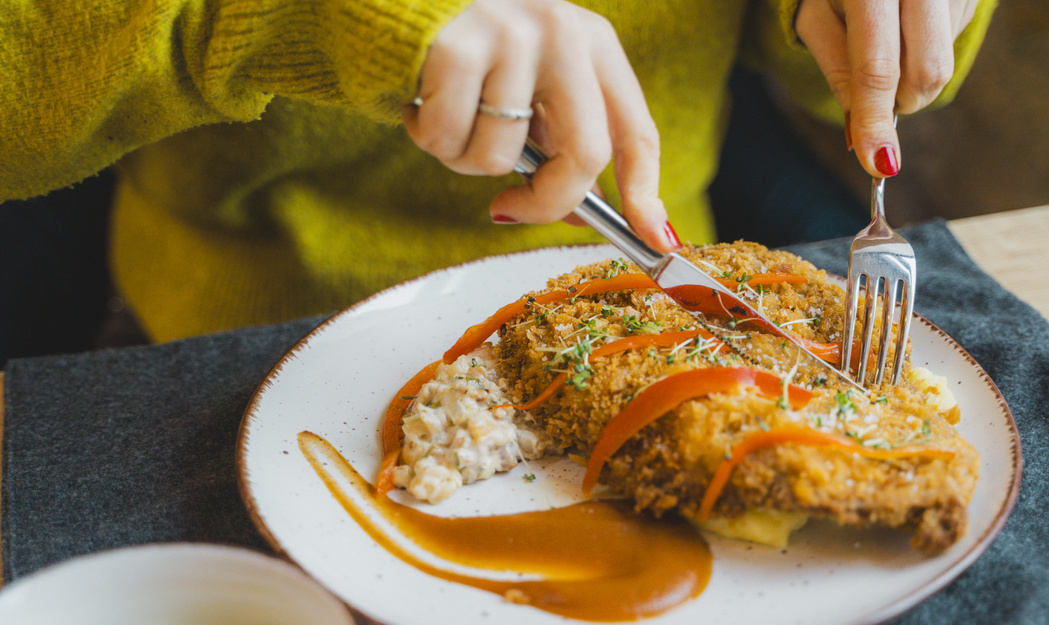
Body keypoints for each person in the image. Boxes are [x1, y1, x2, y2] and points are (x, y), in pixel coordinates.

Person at [0, 0, 995, 360]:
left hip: (653, 310)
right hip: (236, 340)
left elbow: (830, 86)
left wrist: (890, 25)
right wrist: (307, 16)